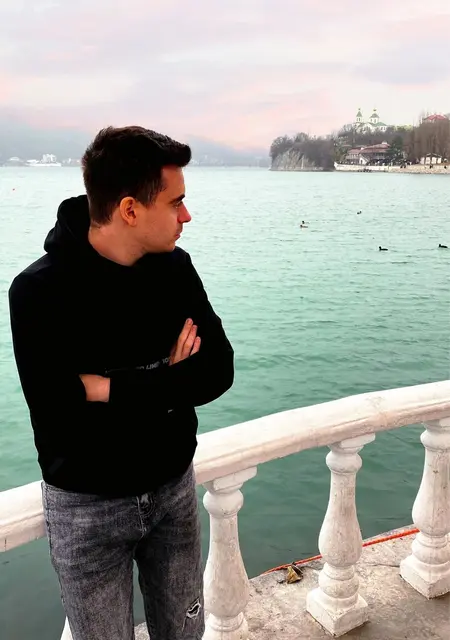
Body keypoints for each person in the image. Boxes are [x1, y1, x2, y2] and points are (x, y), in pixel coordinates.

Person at [8, 126, 234, 640]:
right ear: (130, 209)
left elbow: (219, 370)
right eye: (175, 202)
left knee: (185, 634)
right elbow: (60, 417)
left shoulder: (175, 269)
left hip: (173, 488)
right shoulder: (38, 292)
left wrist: (105, 389)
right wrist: (171, 381)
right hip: (86, 509)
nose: (186, 216)